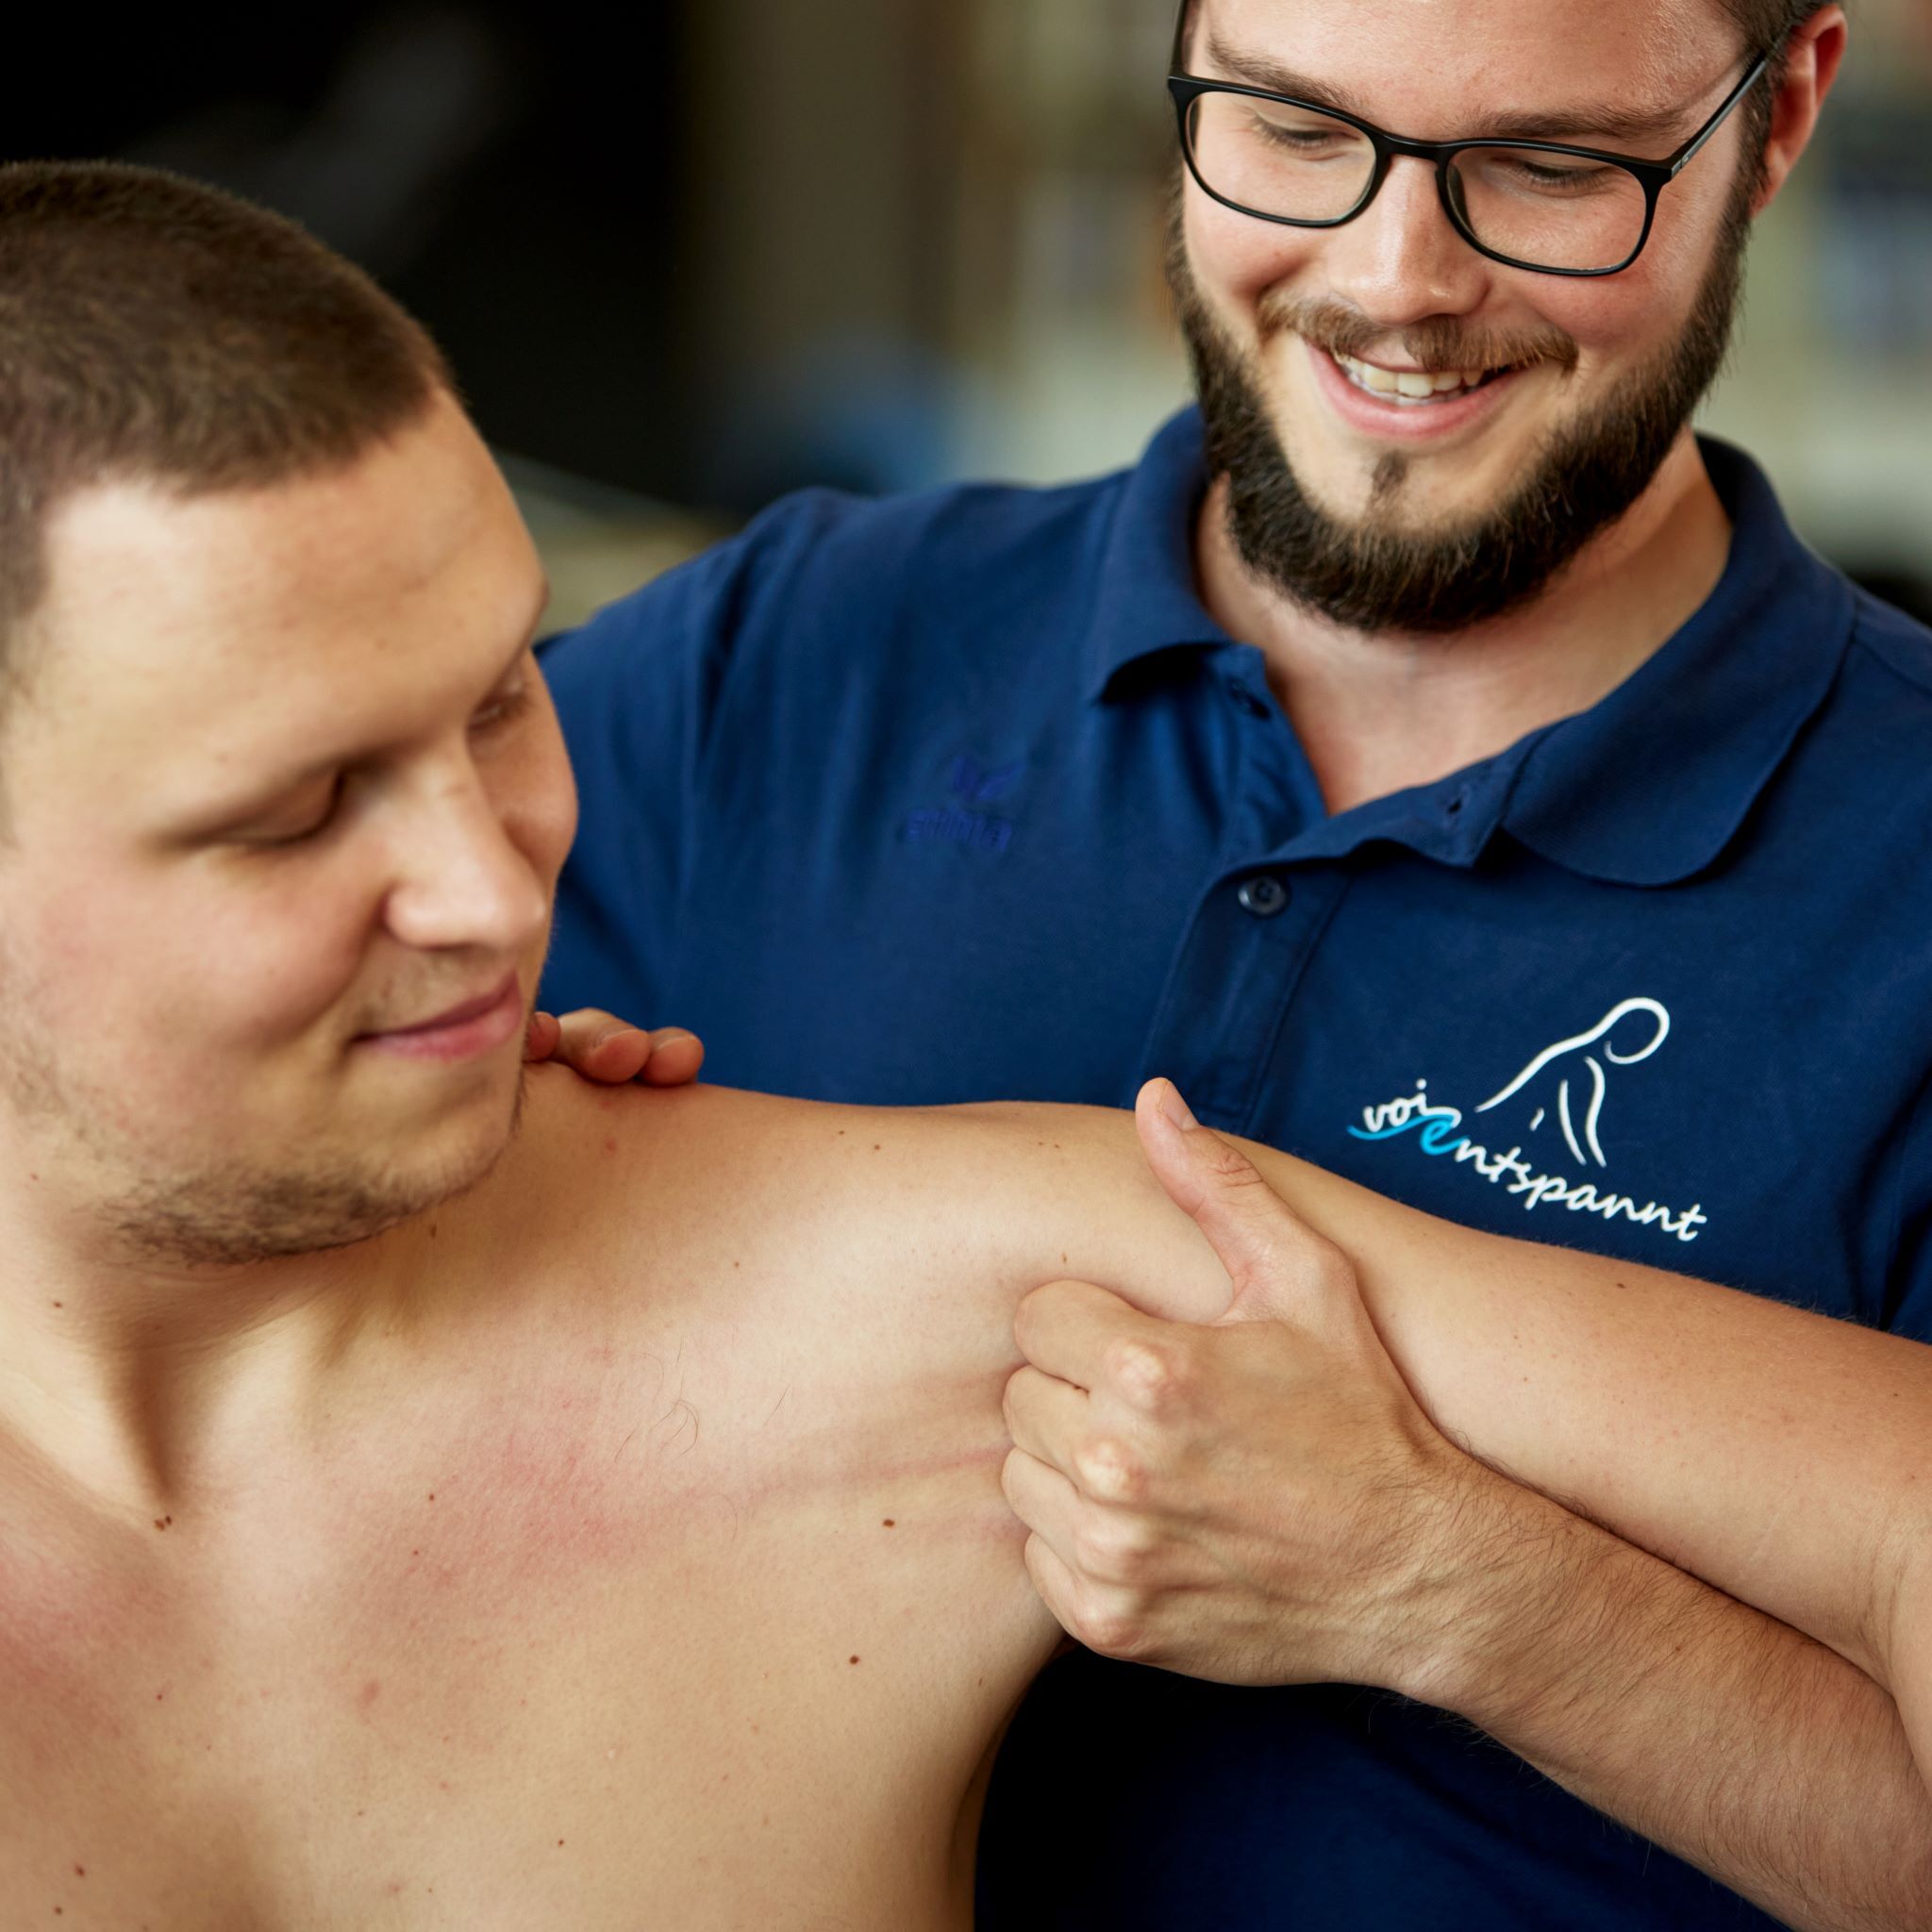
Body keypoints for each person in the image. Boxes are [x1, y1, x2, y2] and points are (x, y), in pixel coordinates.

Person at [2, 158, 1928, 1930]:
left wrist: (1476, 1586)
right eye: (295, 813)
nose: (493, 895)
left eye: (507, 695)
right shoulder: (775, 668)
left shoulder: (913, 1286)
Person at [535, 0, 1932, 1925]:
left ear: (1777, 120)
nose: (1396, 281)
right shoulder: (780, 653)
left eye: (1547, 167)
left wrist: (1456, 1587)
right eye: (1291, 130)